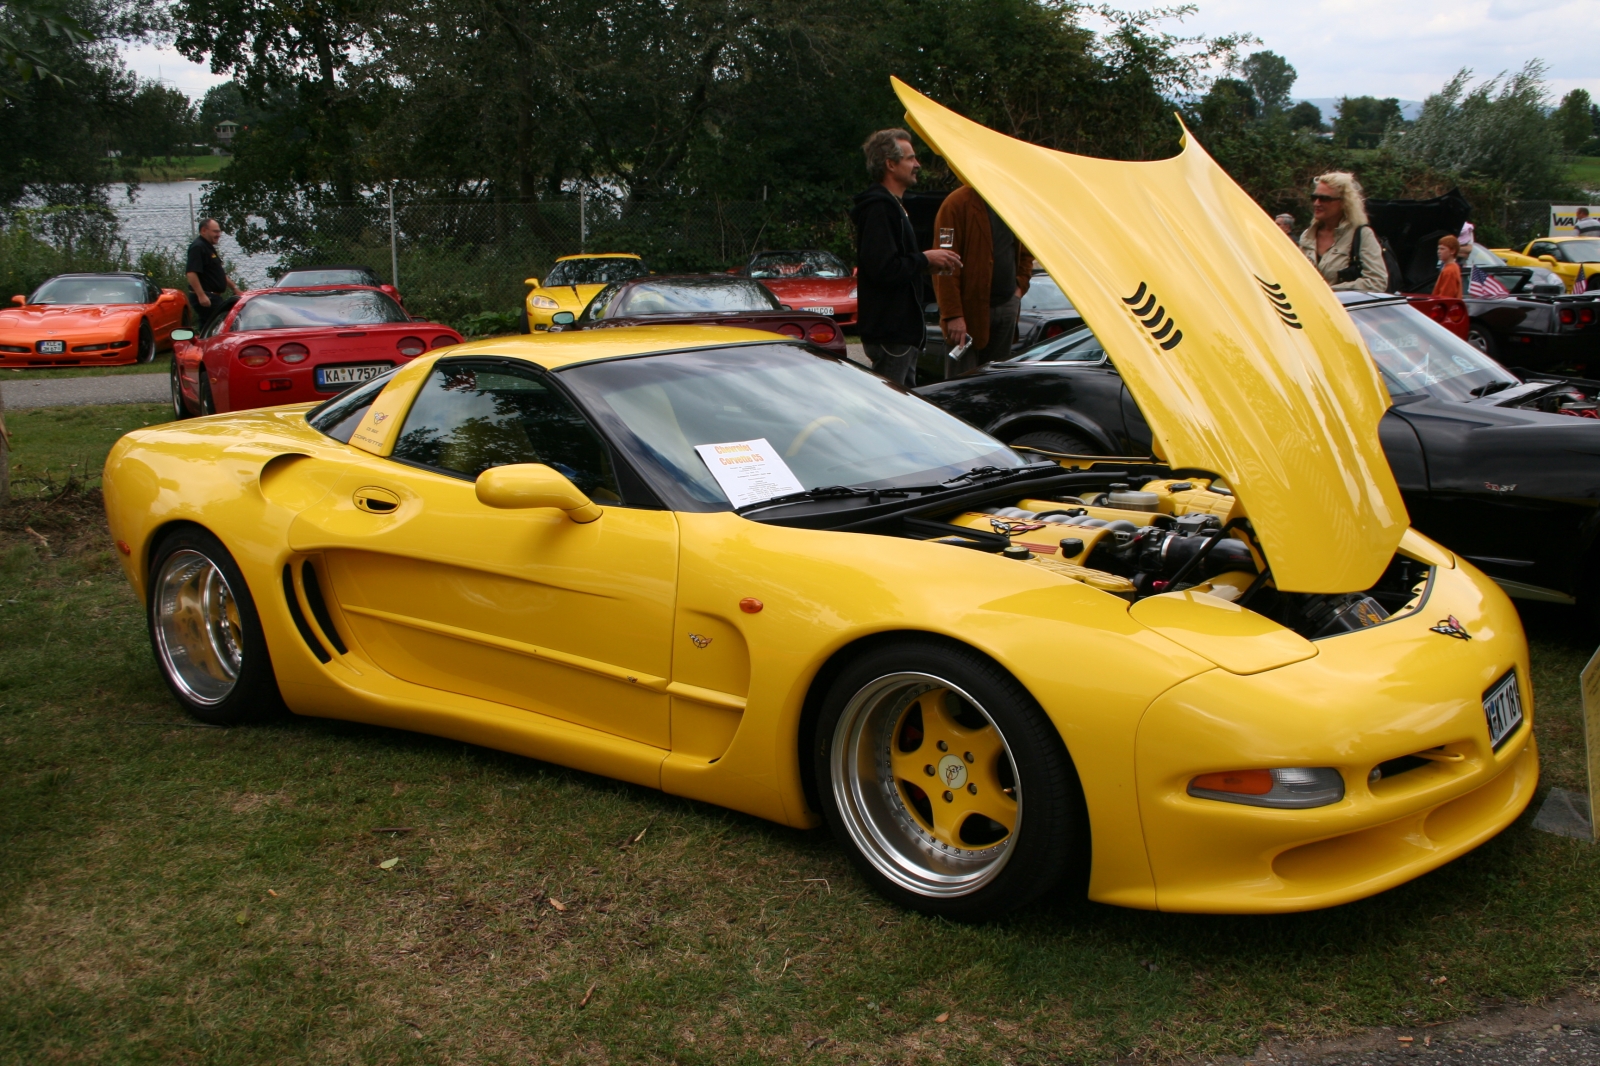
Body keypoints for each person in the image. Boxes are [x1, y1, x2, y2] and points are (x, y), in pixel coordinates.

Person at [850, 130, 961, 387]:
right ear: (891, 164)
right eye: (911, 158)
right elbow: (884, 269)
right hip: (891, 334)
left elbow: (894, 263)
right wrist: (924, 259)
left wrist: (925, 263)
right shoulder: (879, 209)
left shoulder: (894, 206)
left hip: (901, 334)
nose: (917, 165)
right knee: (890, 414)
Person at [932, 185, 1032, 375]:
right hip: (967, 315)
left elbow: (1026, 251)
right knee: (961, 386)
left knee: (996, 384)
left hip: (1005, 307)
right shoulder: (955, 205)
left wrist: (1019, 288)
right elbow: (944, 266)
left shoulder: (1012, 204)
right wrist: (953, 315)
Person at [1298, 172, 1388, 292]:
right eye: (1314, 197)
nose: (1316, 203)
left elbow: (1377, 282)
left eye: (1324, 199)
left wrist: (1328, 291)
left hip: (1344, 308)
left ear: (1344, 203)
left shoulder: (1362, 234)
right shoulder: (1307, 236)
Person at [185, 218, 241, 329]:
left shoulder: (208, 247)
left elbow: (217, 272)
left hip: (213, 296)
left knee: (208, 327)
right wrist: (201, 295)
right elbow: (191, 273)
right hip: (207, 296)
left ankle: (203, 344)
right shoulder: (198, 247)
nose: (218, 234)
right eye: (215, 231)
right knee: (222, 326)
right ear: (203, 231)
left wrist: (234, 288)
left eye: (219, 231)